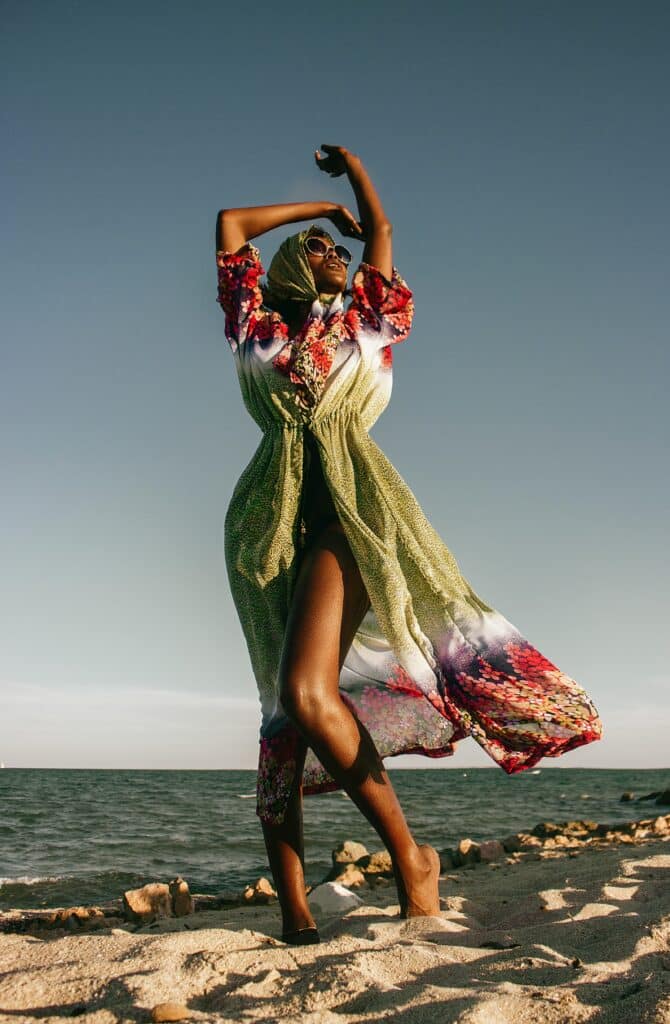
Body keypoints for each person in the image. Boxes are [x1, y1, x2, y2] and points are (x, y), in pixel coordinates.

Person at [215, 144, 603, 945]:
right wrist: (315, 212)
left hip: (354, 515)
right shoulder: (255, 324)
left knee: (308, 692)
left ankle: (409, 856)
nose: (337, 257)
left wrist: (353, 174)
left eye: (340, 252)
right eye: (321, 251)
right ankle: (294, 916)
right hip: (267, 528)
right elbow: (230, 225)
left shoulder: (367, 321)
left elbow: (383, 226)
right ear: (290, 263)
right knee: (283, 714)